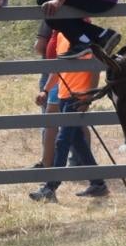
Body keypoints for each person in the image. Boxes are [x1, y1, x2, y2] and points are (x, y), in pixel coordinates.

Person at [28, 25, 107, 202]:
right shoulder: (61, 36)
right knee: (78, 142)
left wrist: (88, 96)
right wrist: (46, 90)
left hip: (77, 98)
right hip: (64, 96)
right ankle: (98, 183)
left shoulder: (85, 36)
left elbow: (95, 68)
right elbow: (58, 68)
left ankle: (50, 187)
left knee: (62, 141)